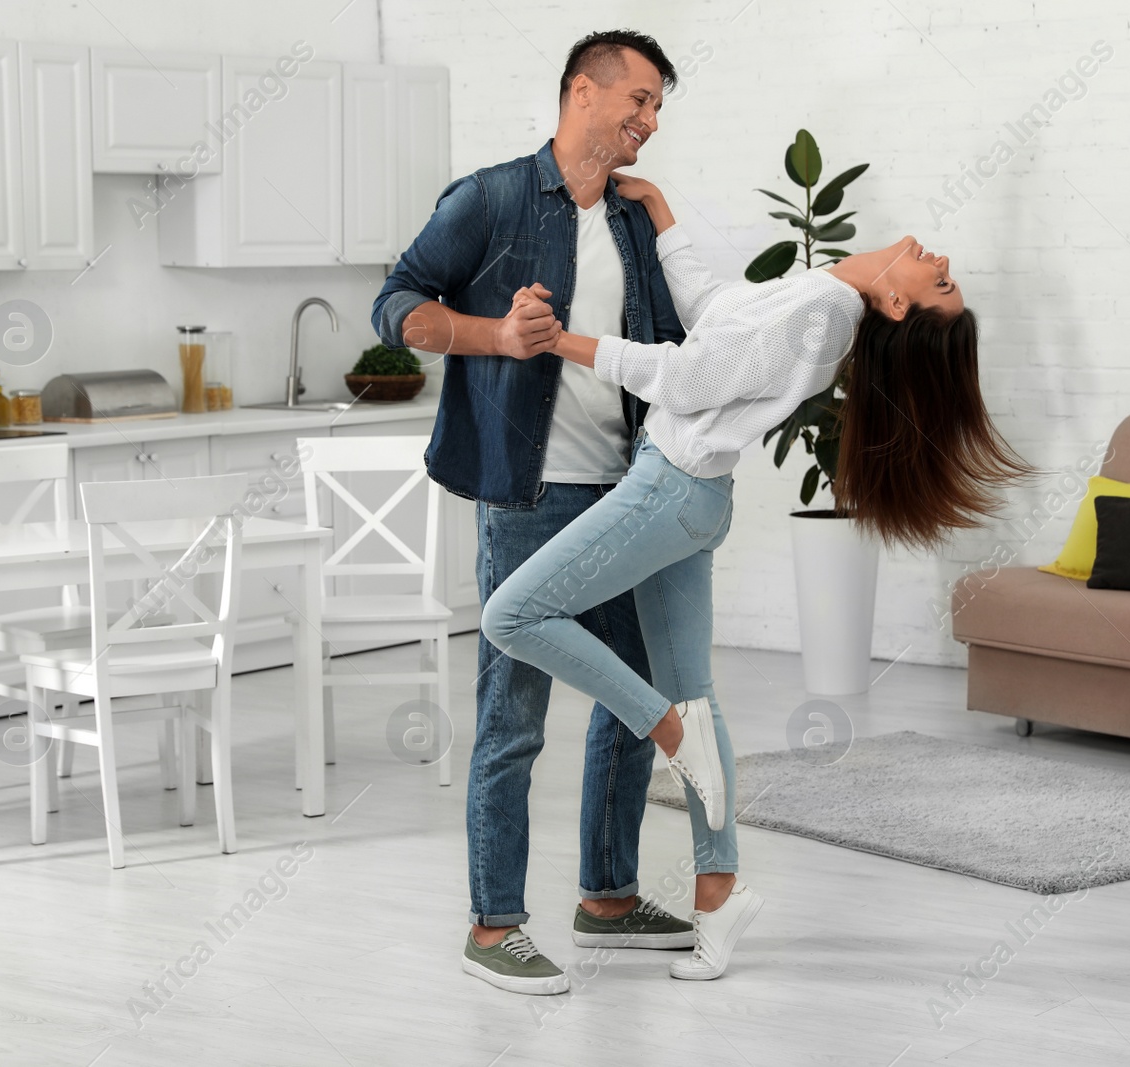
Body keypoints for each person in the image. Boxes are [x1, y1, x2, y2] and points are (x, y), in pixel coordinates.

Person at [479, 174, 1035, 981]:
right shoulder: (824, 295)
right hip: (690, 494)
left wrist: (559, 341)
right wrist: (665, 213)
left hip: (668, 492)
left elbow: (684, 380)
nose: (937, 255)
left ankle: (664, 729)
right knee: (695, 693)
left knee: (511, 615)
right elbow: (715, 312)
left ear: (900, 308)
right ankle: (718, 896)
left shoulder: (824, 312)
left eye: (940, 280)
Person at [371, 31, 698, 997]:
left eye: (657, 109)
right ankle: (493, 924)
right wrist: (494, 337)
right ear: (581, 93)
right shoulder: (492, 198)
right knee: (514, 713)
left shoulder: (635, 220)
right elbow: (394, 303)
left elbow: (673, 346)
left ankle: (607, 897)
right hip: (526, 492)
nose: (647, 121)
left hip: (625, 490)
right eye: (637, 100)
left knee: (632, 698)